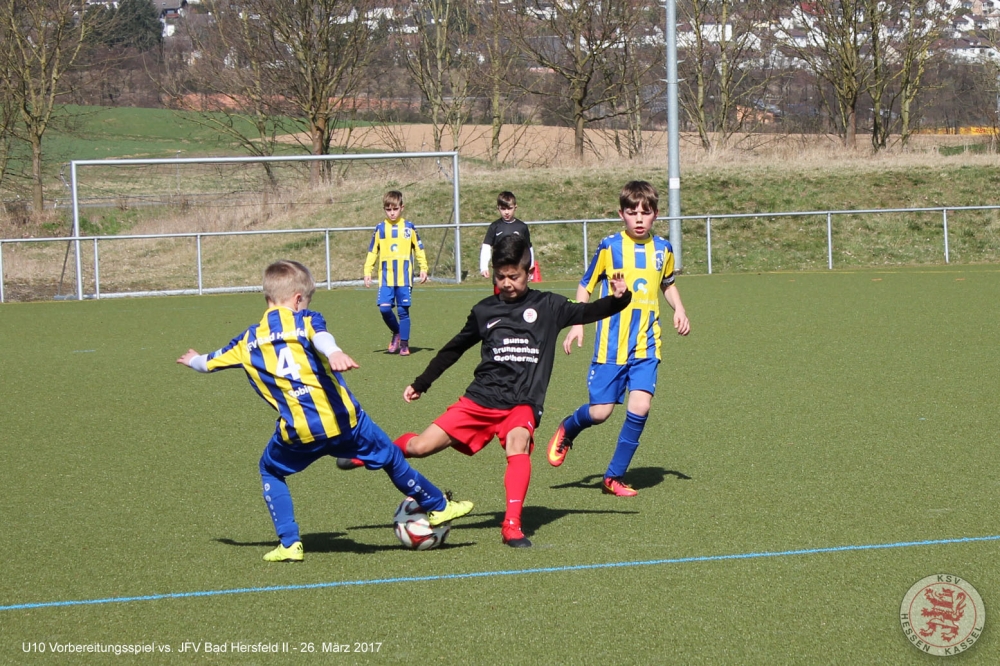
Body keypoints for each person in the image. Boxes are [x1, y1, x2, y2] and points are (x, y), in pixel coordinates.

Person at [177, 260, 473, 563]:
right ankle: (438, 505)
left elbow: (207, 364)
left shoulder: (245, 341)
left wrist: (193, 359)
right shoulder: (306, 320)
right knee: (391, 457)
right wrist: (334, 352)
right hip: (345, 422)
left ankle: (290, 544)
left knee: (271, 470)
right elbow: (321, 337)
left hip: (298, 431)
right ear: (297, 299)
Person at [356, 235, 631, 548]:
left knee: (518, 442)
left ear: (530, 272)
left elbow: (589, 311)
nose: (507, 283)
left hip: (523, 402)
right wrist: (422, 383)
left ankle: (512, 526)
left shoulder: (549, 306)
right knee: (420, 446)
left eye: (514, 276)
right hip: (481, 398)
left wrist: (619, 299)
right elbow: (454, 349)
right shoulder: (484, 311)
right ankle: (371, 454)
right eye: (501, 277)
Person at [546, 180, 691, 497]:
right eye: (632, 212)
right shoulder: (610, 246)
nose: (639, 218)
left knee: (640, 406)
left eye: (645, 212)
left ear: (655, 214)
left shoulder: (663, 249)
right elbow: (586, 284)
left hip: (646, 344)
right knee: (600, 413)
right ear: (621, 214)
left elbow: (667, 283)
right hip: (610, 346)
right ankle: (568, 427)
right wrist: (577, 322)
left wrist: (679, 309)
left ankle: (613, 477)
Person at [363, 190, 428, 356]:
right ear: (384, 209)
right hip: (386, 277)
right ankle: (397, 332)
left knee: (403, 311)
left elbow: (419, 249)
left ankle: (404, 344)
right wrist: (367, 270)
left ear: (402, 208)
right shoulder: (380, 228)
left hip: (404, 277)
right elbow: (373, 251)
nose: (392, 213)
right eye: (388, 209)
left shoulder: (409, 227)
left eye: (395, 209)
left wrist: (423, 267)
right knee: (384, 309)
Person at [479, 191, 534, 281]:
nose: (506, 212)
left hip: (517, 271)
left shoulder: (522, 227)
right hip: (500, 271)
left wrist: (530, 266)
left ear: (515, 207)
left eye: (509, 208)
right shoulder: (494, 226)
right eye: (503, 209)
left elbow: (528, 248)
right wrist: (484, 267)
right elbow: (486, 246)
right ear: (498, 208)